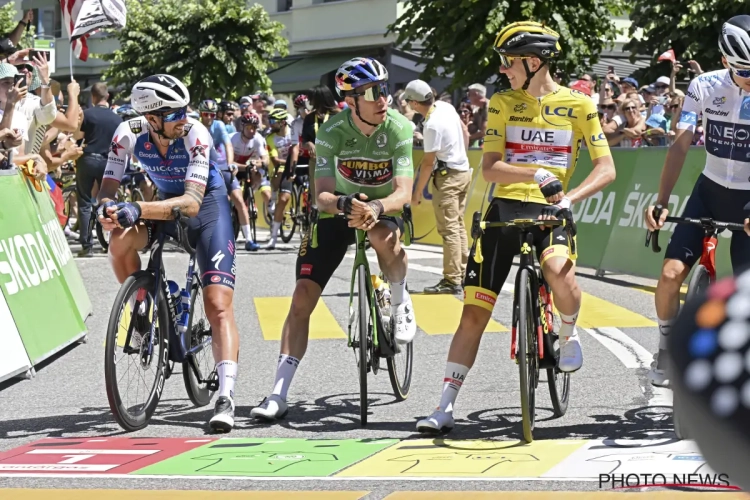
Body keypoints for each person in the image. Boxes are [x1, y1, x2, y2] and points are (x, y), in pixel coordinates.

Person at [416, 21, 616, 434]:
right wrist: (537, 169)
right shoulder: (503, 103)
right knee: (474, 312)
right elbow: (489, 169)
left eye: (509, 62)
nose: (503, 69)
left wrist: (569, 199)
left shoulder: (579, 105)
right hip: (505, 209)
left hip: (552, 210)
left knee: (559, 272)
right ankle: (444, 406)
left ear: (533, 61)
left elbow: (606, 168)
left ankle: (568, 330)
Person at [250, 57, 417, 421]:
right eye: (371, 92)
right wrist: (344, 203)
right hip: (338, 210)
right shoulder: (331, 132)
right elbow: (322, 192)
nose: (382, 98)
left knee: (383, 237)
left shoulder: (400, 127)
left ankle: (400, 299)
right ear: (350, 100)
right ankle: (279, 392)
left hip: (383, 206)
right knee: (302, 297)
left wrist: (375, 205)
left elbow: (404, 192)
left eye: (384, 88)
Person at [96, 75, 241, 433]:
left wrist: (138, 209)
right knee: (120, 238)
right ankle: (143, 306)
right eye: (175, 113)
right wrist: (106, 210)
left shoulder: (196, 134)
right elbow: (108, 188)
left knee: (218, 303)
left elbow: (191, 204)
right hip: (162, 206)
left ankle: (225, 396)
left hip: (207, 209)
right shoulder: (126, 134)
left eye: (185, 110)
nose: (185, 117)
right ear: (152, 118)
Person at [646, 14, 750, 388]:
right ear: (724, 61)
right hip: (709, 191)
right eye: (744, 72)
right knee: (671, 274)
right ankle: (664, 345)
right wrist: (661, 200)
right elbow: (680, 144)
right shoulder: (703, 86)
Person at [405, 79, 472, 295]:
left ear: (415, 104)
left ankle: (452, 280)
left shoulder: (432, 124)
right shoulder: (446, 106)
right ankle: (462, 273)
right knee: (458, 225)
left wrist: (416, 194)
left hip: (448, 177)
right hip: (462, 170)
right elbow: (464, 131)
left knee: (449, 229)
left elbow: (427, 164)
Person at [199, 98, 254, 250]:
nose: (209, 118)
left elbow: (228, 144)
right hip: (203, 168)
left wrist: (231, 163)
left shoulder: (219, 125)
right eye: (205, 114)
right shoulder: (196, 127)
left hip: (222, 166)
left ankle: (249, 239)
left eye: (212, 114)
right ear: (200, 114)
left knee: (238, 199)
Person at [74, 82, 122, 257]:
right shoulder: (117, 119)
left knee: (85, 202)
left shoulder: (87, 114)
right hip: (108, 162)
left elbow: (77, 136)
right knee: (109, 202)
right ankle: (113, 243)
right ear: (107, 96)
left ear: (92, 97)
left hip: (87, 159)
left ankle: (87, 246)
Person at [230, 111, 268, 251]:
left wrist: (258, 163)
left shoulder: (258, 139)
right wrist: (245, 166)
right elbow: (228, 162)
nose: (252, 131)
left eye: (254, 128)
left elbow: (265, 160)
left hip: (246, 169)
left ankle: (250, 198)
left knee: (257, 173)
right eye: (249, 128)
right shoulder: (233, 139)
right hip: (233, 168)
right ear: (242, 127)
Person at [264, 107, 296, 249]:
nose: (270, 124)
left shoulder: (293, 133)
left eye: (273, 121)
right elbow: (276, 160)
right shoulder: (270, 138)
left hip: (297, 165)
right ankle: (274, 237)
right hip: (282, 169)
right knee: (283, 200)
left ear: (282, 122)